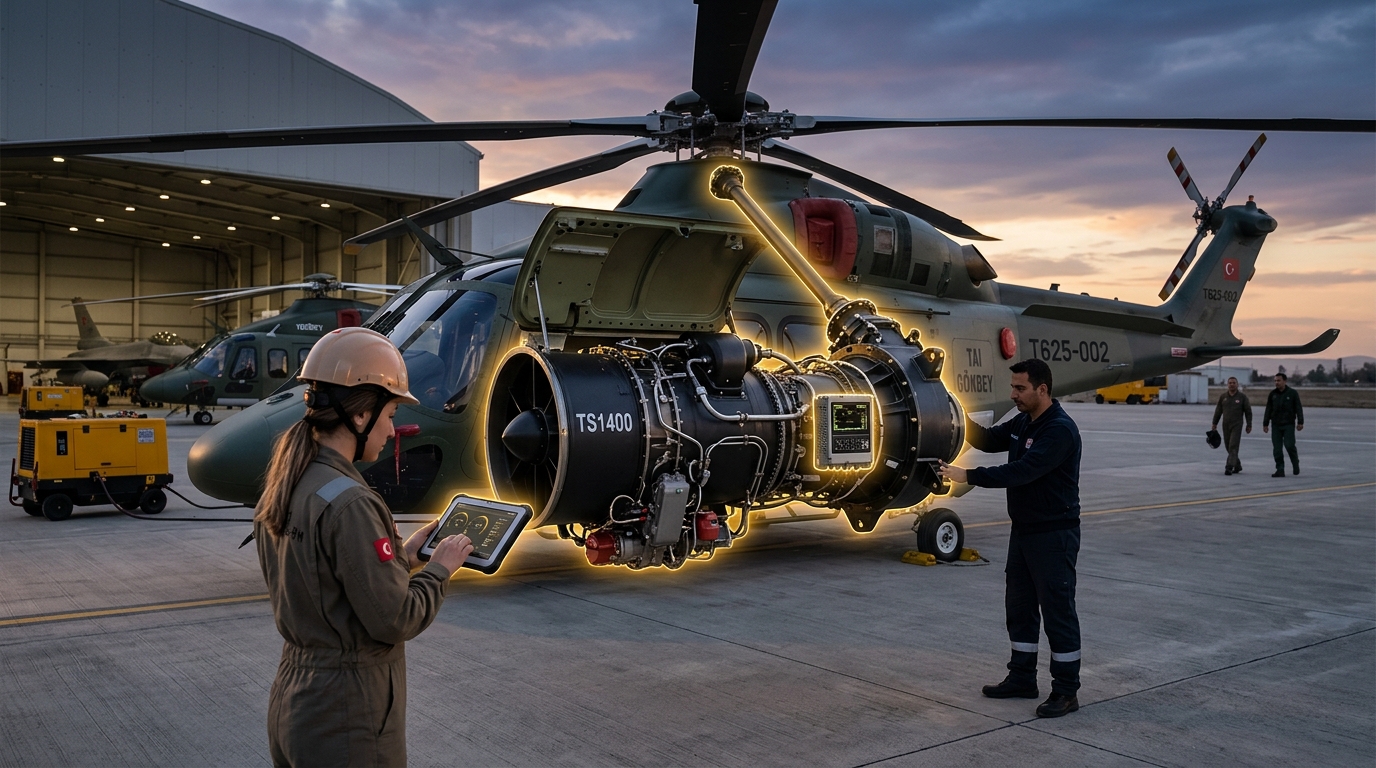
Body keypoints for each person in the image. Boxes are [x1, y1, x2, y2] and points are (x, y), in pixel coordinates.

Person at [253, 327, 473, 767]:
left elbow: (327, 579)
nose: (392, 430)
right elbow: (396, 618)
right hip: (346, 713)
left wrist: (404, 558)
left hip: (297, 700)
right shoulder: (351, 502)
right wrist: (440, 569)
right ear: (360, 416)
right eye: (390, 414)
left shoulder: (289, 483)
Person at [938, 358, 1083, 718]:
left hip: (1053, 535)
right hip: (1023, 532)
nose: (1013, 394)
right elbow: (987, 439)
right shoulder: (1023, 421)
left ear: (1042, 389)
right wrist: (949, 406)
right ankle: (1022, 677)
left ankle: (1066, 691)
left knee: (1057, 612)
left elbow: (1022, 471)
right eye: (1013, 387)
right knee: (1019, 608)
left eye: (1020, 388)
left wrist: (968, 475)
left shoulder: (1059, 430)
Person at [1262, 372, 1304, 477]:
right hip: (1276, 425)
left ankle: (1295, 462)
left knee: (1289, 445)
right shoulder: (1273, 394)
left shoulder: (1292, 393)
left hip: (1288, 424)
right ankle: (1280, 469)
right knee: (1277, 449)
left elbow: (1298, 408)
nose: (1276, 382)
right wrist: (1265, 423)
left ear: (1285, 381)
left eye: (1279, 380)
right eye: (1275, 381)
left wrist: (1300, 422)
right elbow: (1268, 409)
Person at [1211, 376, 1253, 475]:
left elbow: (1248, 411)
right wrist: (1214, 423)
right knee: (1228, 446)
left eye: (1234, 383)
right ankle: (1237, 465)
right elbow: (1218, 411)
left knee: (1233, 445)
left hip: (1237, 425)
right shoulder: (1223, 397)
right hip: (1225, 425)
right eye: (1230, 383)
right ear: (1227, 385)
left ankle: (1229, 467)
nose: (1232, 384)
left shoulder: (1242, 397)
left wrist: (1249, 424)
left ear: (1237, 384)